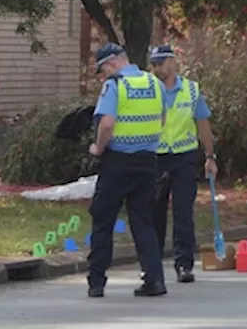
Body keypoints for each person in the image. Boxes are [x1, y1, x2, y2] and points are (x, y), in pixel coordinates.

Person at [85, 42, 169, 299]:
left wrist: (98, 148)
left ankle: (97, 281)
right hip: (147, 162)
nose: (103, 76)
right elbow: (163, 118)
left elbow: (107, 123)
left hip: (117, 162)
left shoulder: (115, 85)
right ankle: (154, 280)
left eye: (102, 70)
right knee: (143, 220)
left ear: (111, 63)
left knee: (103, 219)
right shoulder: (154, 83)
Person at [148, 44, 218, 284]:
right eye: (154, 64)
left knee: (183, 212)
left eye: (161, 63)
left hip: (184, 157)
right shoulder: (148, 90)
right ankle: (152, 264)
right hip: (156, 157)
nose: (158, 69)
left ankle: (184, 264)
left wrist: (210, 157)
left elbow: (203, 125)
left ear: (173, 62)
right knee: (154, 212)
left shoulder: (191, 90)